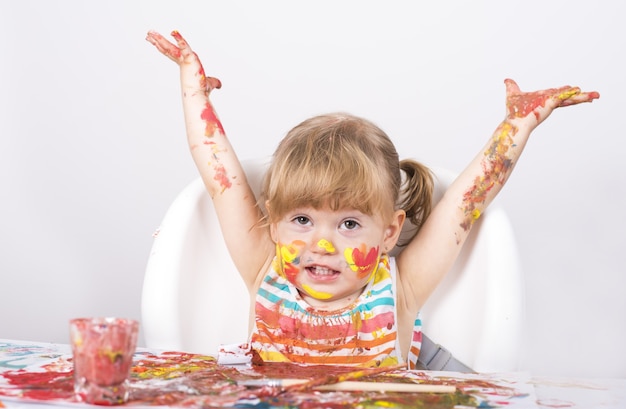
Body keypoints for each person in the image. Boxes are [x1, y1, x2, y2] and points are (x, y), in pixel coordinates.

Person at [146, 30, 599, 369]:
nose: (321, 245)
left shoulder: (398, 291)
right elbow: (219, 176)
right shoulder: (266, 270)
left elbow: (465, 202)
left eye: (348, 225)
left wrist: (517, 126)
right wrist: (193, 90)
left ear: (389, 232)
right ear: (272, 223)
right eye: (302, 220)